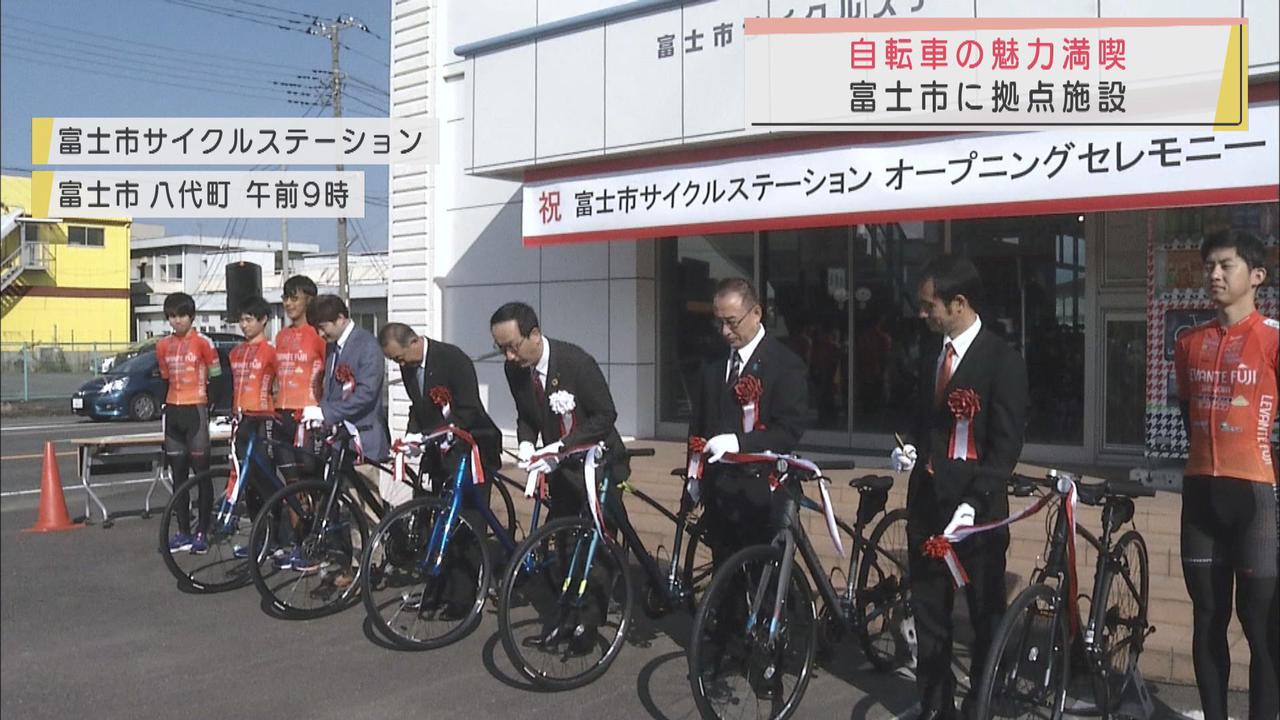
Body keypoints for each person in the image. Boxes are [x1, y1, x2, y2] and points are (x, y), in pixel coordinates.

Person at [891, 255, 1029, 720]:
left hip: (977, 512)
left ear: (959, 303)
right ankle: (935, 706)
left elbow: (1005, 447)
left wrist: (975, 500)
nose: (923, 314)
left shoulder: (1002, 360)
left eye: (930, 306)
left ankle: (983, 705)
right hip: (927, 503)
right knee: (929, 612)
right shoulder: (934, 354)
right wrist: (910, 448)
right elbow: (924, 420)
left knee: (985, 615)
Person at [489, 301, 635, 655]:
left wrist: (561, 446)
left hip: (596, 461)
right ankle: (565, 615)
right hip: (560, 467)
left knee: (594, 544)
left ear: (534, 335)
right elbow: (527, 413)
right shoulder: (516, 370)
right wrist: (526, 443)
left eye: (512, 346)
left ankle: (588, 624)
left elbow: (605, 416)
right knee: (565, 541)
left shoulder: (576, 363)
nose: (508, 355)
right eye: (500, 348)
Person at [1174, 229, 1278, 720]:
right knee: (1207, 620)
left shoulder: (1273, 339)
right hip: (1199, 496)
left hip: (1254, 497)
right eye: (1209, 265)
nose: (1214, 275)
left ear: (1256, 276)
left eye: (1226, 266)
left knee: (1260, 626)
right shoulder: (1188, 342)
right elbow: (1185, 410)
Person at [380, 321, 502, 616]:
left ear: (413, 342)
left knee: (466, 522)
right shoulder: (409, 367)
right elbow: (418, 406)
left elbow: (470, 407)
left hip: (470, 445)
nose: (399, 364)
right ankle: (436, 588)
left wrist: (442, 431)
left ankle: (461, 597)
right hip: (437, 449)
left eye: (399, 357)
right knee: (438, 519)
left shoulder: (453, 359)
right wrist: (412, 434)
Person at [688, 277, 809, 567]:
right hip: (719, 491)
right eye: (719, 323)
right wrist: (694, 472)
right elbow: (700, 423)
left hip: (761, 494)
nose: (725, 332)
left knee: (762, 584)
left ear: (756, 313)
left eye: (732, 322)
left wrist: (740, 443)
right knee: (724, 582)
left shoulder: (783, 363)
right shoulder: (714, 363)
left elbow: (788, 430)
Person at [305, 294, 390, 578]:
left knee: (365, 505)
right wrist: (322, 414)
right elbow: (332, 390)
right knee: (349, 504)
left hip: (363, 436)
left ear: (341, 318)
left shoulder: (366, 346)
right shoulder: (334, 347)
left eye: (323, 326)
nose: (320, 333)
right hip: (342, 437)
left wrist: (328, 413)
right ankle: (361, 559)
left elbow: (366, 393)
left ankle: (369, 566)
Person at [158, 292, 223, 555]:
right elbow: (164, 379)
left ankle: (202, 532)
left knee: (202, 473)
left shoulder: (204, 342)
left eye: (181, 316)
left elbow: (217, 378)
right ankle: (183, 530)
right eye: (172, 316)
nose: (177, 321)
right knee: (179, 476)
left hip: (196, 409)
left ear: (191, 316)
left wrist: (212, 406)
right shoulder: (162, 345)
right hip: (173, 411)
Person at [227, 296, 278, 549]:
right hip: (241, 419)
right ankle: (259, 538)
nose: (244, 325)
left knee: (266, 479)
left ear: (263, 320)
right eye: (241, 320)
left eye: (249, 320)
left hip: (264, 418)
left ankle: (279, 537)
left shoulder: (271, 351)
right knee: (248, 482)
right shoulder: (236, 352)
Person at [273, 275, 326, 486]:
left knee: (311, 481)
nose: (288, 304)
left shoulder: (319, 334)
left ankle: (322, 518)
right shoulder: (281, 336)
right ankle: (295, 519)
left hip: (308, 416)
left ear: (310, 300)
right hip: (282, 415)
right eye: (285, 298)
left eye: (294, 298)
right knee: (291, 484)